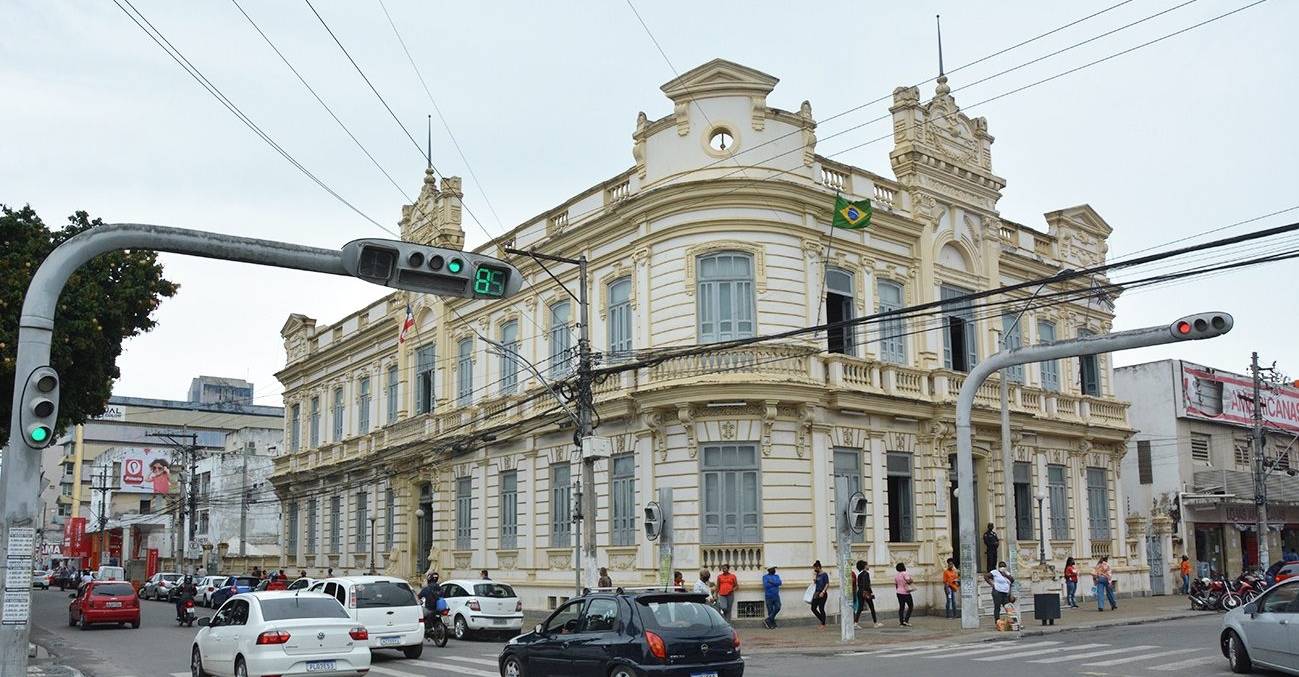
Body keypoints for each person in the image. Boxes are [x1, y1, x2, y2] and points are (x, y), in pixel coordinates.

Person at [853, 560, 881, 628]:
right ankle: (875, 623)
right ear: (864, 566)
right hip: (865, 592)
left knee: (860, 608)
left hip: (860, 592)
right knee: (871, 607)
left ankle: (855, 623)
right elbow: (867, 585)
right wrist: (871, 592)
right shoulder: (866, 573)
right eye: (867, 565)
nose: (868, 566)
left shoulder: (859, 574)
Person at [894, 562, 914, 627]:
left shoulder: (897, 575)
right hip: (906, 592)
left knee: (901, 607)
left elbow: (896, 585)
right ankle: (906, 620)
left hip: (899, 592)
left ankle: (901, 622)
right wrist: (911, 580)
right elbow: (908, 581)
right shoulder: (905, 573)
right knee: (910, 606)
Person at [810, 560, 830, 628]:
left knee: (821, 608)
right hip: (816, 593)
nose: (814, 570)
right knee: (813, 608)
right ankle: (822, 620)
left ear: (818, 567)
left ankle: (823, 624)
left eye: (815, 568)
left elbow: (827, 584)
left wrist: (823, 592)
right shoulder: (817, 574)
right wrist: (815, 581)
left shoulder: (824, 574)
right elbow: (817, 583)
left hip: (822, 593)